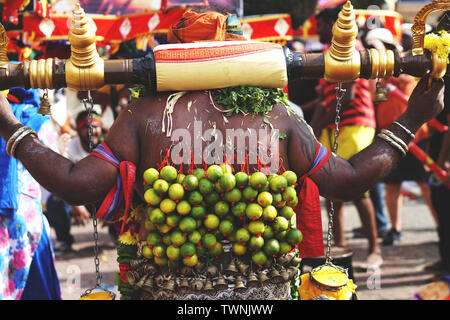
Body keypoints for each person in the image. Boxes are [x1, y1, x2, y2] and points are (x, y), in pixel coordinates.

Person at [0, 10, 444, 299]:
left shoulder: (143, 113)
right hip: (262, 293)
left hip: (169, 289)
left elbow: (77, 185)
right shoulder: (280, 114)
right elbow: (346, 180)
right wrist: (414, 116)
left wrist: (11, 127)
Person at [310, 6, 382, 269]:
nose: (315, 31)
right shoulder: (327, 55)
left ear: (332, 24)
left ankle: (375, 252)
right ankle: (338, 252)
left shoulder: (351, 49)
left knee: (358, 188)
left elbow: (349, 97)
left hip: (355, 124)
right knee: (331, 193)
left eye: (319, 25)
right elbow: (322, 100)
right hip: (333, 126)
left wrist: (315, 126)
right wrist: (312, 128)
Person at [366, 28, 439, 246]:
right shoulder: (377, 74)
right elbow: (373, 96)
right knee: (392, 185)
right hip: (390, 136)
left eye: (379, 47)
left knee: (425, 184)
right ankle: (395, 228)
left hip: (416, 137)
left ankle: (440, 226)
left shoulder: (412, 65)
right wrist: (376, 64)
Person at [0, 87, 61, 300]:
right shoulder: (34, 118)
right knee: (35, 288)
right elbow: (53, 169)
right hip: (26, 216)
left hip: (7, 211)